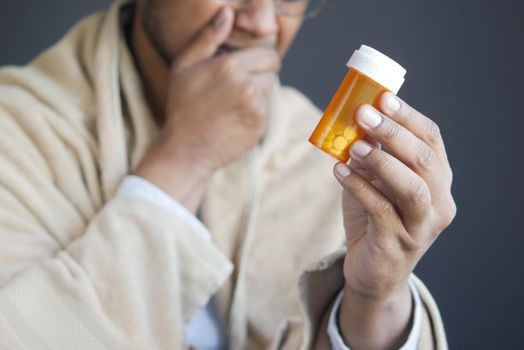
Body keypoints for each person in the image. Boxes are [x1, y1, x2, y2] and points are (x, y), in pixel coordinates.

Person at [0, 0, 456, 349]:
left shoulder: (319, 155)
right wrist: (186, 158)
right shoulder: (15, 130)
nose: (262, 21)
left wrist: (375, 300)